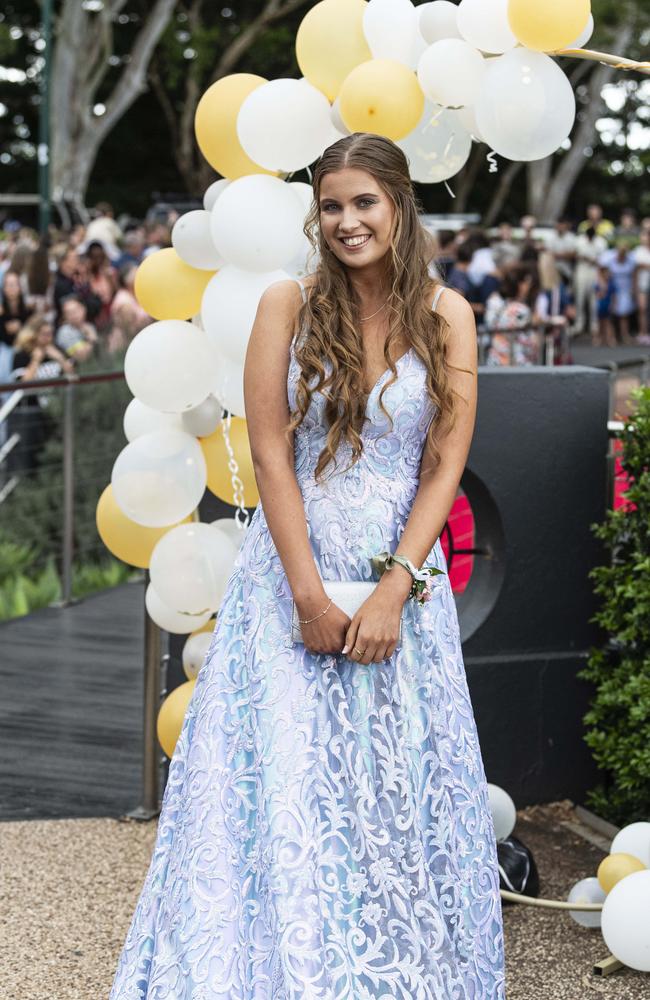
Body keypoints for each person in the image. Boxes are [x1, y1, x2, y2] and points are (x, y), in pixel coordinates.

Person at [109, 132, 506, 998]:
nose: (347, 221)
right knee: (280, 784)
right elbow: (270, 452)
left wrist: (397, 589)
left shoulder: (448, 315)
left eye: (364, 201)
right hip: (290, 578)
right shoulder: (287, 303)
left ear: (400, 204)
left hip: (402, 582)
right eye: (331, 205)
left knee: (390, 790)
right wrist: (306, 595)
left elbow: (444, 463)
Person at [8, 315, 72, 475]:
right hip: (32, 415)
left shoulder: (57, 351)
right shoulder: (22, 355)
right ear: (33, 334)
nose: (48, 338)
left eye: (50, 333)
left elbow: (72, 377)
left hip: (57, 412)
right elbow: (23, 384)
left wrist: (60, 358)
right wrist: (36, 360)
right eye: (44, 334)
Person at [485, 263, 539, 366]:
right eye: (527, 283)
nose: (529, 287)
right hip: (516, 364)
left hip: (494, 362)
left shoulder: (495, 303)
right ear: (520, 285)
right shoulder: (521, 311)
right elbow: (530, 345)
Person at [573, 226, 608, 337]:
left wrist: (595, 260)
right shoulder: (579, 240)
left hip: (595, 271)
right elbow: (574, 254)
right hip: (582, 270)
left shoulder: (601, 242)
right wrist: (583, 258)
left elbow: (604, 259)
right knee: (580, 298)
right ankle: (579, 325)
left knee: (594, 300)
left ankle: (594, 326)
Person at [55, 294, 98, 364]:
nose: (73, 315)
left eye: (75, 310)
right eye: (68, 313)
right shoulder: (64, 332)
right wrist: (91, 339)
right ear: (64, 316)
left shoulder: (90, 325)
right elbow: (81, 357)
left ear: (84, 309)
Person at [633, 229, 650, 343]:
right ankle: (642, 333)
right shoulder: (638, 251)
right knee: (642, 309)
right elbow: (636, 268)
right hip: (642, 284)